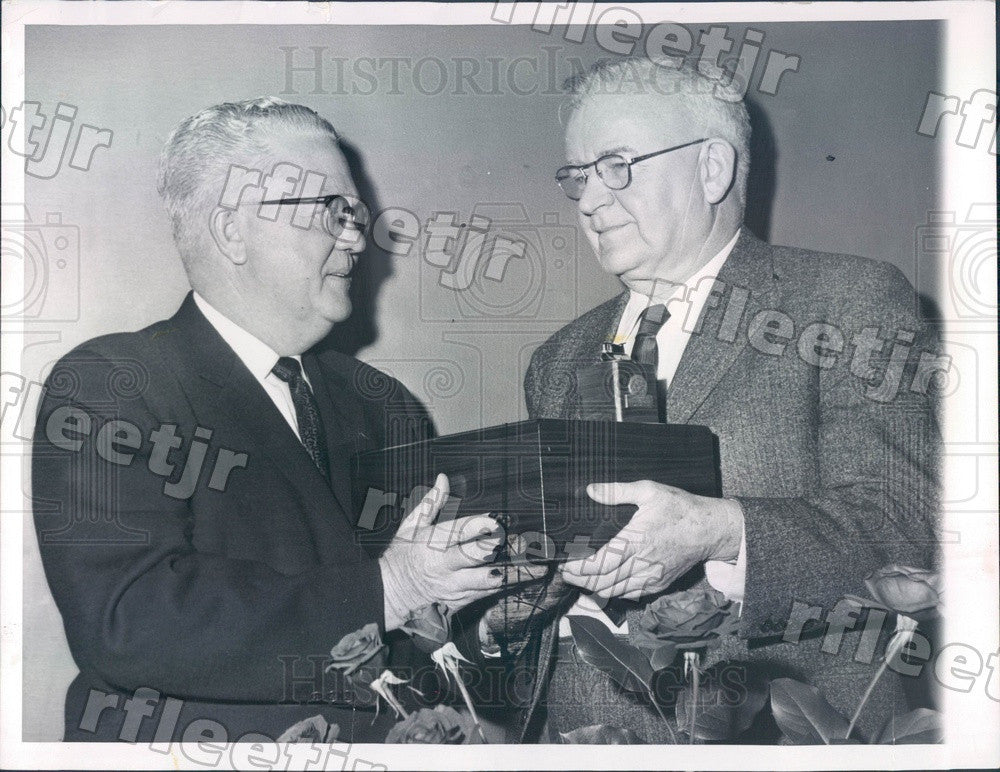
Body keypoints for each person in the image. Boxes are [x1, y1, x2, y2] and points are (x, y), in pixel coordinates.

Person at [31, 98, 508, 743]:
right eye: (328, 212)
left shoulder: (385, 404)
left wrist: (490, 613)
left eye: (356, 214)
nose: (355, 236)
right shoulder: (114, 386)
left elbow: (423, 639)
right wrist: (385, 591)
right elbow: (126, 622)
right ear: (231, 229)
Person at [514, 59, 941, 742]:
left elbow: (908, 526)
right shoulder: (557, 360)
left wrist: (720, 531)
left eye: (616, 165)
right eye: (577, 176)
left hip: (778, 734)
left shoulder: (844, 302)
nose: (590, 200)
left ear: (712, 168)